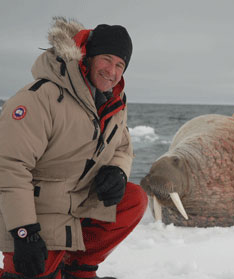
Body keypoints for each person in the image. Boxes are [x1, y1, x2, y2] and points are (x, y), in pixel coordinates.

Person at [0, 17, 148, 279]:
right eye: (106, 59)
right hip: (34, 211)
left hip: (76, 202)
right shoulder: (39, 98)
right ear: (87, 57)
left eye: (120, 65)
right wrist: (24, 232)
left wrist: (117, 171)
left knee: (133, 199)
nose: (112, 71)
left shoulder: (113, 102)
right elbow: (9, 167)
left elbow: (122, 146)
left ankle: (77, 268)